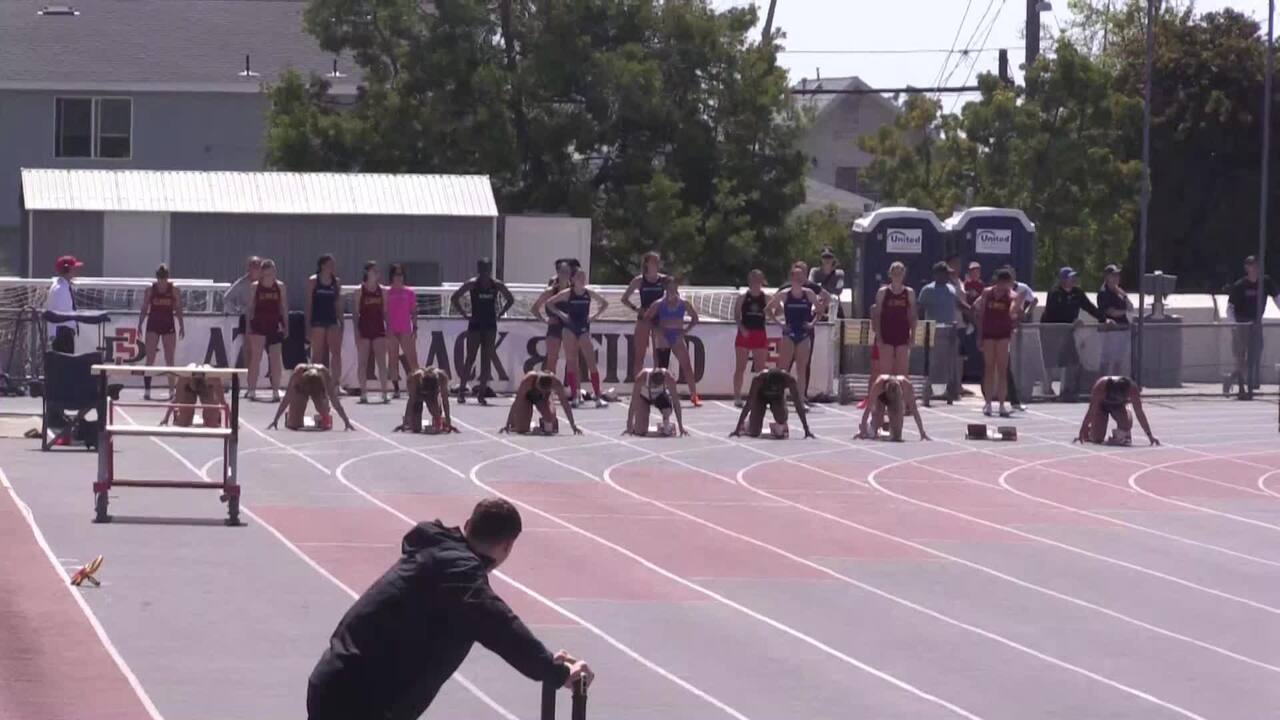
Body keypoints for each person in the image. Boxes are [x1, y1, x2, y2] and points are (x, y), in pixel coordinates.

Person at [306, 498, 593, 720]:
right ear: (508, 547)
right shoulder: (459, 573)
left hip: (340, 681)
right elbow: (500, 626)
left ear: (467, 525)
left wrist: (547, 663)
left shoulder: (434, 553)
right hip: (361, 700)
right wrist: (554, 671)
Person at [451, 259, 515, 406]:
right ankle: (461, 392)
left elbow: (510, 299)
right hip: (475, 325)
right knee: (470, 358)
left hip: (490, 325)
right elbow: (455, 298)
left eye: (487, 269)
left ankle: (481, 394)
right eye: (482, 269)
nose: (485, 272)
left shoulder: (496, 284)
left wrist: (501, 313)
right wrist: (464, 314)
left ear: (490, 270)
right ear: (478, 269)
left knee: (486, 359)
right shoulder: (473, 284)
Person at [1042, 266, 1109, 402]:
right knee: (1050, 362)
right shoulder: (1054, 293)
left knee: (1071, 361)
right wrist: (1071, 321)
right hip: (1051, 331)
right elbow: (1053, 312)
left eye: (1074, 277)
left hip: (1068, 333)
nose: (1073, 280)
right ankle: (1047, 391)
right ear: (1063, 279)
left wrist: (1104, 319)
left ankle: (1066, 391)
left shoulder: (1077, 293)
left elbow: (1090, 307)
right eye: (1070, 277)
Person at [546, 269, 609, 408]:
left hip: (583, 329)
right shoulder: (568, 293)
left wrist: (594, 316)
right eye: (579, 276)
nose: (582, 279)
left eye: (583, 276)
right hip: (569, 328)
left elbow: (604, 303)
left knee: (591, 361)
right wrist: (561, 314)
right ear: (573, 279)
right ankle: (575, 396)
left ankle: (597, 396)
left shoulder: (588, 293)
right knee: (571, 361)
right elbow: (549, 303)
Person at [1225, 255, 1280, 396]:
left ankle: (1233, 378)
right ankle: (1242, 387)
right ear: (1247, 268)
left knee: (1255, 354)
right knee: (1241, 357)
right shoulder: (1240, 285)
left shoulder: (1266, 282)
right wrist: (1234, 325)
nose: (1255, 269)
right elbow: (1230, 308)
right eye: (1252, 266)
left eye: (1257, 266)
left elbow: (1277, 298)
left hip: (1256, 323)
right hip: (1242, 323)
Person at [767, 263, 820, 407]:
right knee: (783, 369)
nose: (798, 279)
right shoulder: (784, 294)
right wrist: (780, 324)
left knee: (801, 369)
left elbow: (820, 309)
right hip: (789, 334)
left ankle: (801, 399)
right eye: (796, 276)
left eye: (801, 276)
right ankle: (780, 399)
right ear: (791, 278)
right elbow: (768, 310)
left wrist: (812, 323)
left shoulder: (809, 293)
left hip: (803, 334)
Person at [918, 261, 970, 403]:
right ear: (937, 274)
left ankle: (949, 393)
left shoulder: (951, 288)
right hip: (934, 329)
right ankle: (927, 394)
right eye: (945, 273)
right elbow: (919, 309)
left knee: (950, 362)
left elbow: (958, 304)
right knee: (934, 363)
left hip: (950, 328)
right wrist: (920, 327)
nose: (948, 276)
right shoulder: (927, 290)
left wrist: (972, 310)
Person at [644, 276, 701, 407]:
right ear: (665, 288)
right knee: (661, 367)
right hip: (663, 335)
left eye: (674, 286)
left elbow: (695, 318)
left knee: (686, 365)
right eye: (669, 286)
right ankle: (658, 394)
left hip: (676, 335)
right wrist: (657, 329)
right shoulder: (659, 303)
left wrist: (685, 331)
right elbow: (647, 318)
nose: (671, 289)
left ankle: (694, 394)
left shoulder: (683, 303)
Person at [974, 268, 1020, 417]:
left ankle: (1001, 404)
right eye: (1004, 283)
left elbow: (1013, 309)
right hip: (988, 333)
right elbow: (981, 314)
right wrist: (979, 335)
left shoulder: (1011, 295)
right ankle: (988, 403)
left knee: (1002, 369)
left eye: (1008, 283)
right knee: (989, 368)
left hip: (1003, 334)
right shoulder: (987, 293)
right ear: (998, 281)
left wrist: (1014, 309)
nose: (1005, 286)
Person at [137, 264, 185, 401]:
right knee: (150, 359)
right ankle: (147, 390)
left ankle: (171, 390)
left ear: (167, 278)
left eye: (164, 278)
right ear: (157, 278)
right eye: (160, 278)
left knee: (170, 359)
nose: (162, 281)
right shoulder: (150, 290)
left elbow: (179, 308)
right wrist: (140, 323)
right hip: (153, 325)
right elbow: (144, 308)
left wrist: (182, 325)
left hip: (168, 325)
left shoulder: (174, 290)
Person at [245, 259, 288, 402]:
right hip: (259, 324)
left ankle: (275, 390)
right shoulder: (255, 287)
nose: (270, 276)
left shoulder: (280, 286)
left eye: (272, 273)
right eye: (267, 274)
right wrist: (248, 327)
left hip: (274, 324)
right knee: (256, 358)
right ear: (262, 273)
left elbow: (283, 307)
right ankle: (251, 389)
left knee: (275, 359)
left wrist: (286, 325)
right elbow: (250, 308)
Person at [730, 368, 814, 439]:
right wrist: (737, 429)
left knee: (781, 418)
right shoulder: (758, 379)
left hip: (777, 398)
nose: (773, 390)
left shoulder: (790, 380)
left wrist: (806, 429)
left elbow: (798, 405)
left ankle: (779, 424)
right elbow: (749, 404)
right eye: (771, 388)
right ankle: (748, 424)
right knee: (754, 432)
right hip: (760, 397)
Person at [1075, 376, 1159, 446]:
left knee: (1126, 425)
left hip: (1118, 407)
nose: (1116, 398)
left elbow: (1139, 413)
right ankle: (1090, 430)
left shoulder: (1132, 389)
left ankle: (1127, 412)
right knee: (1097, 438)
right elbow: (1091, 411)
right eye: (1115, 396)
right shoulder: (1100, 387)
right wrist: (1082, 430)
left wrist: (1150, 436)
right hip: (1102, 406)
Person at [620, 251, 668, 373]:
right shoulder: (639, 280)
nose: (656, 263)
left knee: (658, 355)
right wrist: (636, 308)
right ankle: (638, 382)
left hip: (659, 318)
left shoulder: (664, 279)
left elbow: (674, 296)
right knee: (639, 354)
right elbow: (624, 299)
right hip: (645, 317)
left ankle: (658, 381)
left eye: (657, 261)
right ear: (646, 264)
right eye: (653, 261)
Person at [268, 364, 353, 431]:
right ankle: (292, 415)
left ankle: (325, 416)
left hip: (317, 389)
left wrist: (346, 421)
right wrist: (276, 419)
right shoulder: (298, 373)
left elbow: (334, 399)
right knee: (294, 425)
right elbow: (287, 397)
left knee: (322, 408)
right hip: (302, 389)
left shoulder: (324, 374)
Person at [352, 261, 390, 404]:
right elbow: (356, 313)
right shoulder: (359, 290)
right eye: (373, 271)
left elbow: (385, 312)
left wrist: (388, 329)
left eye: (377, 271)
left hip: (378, 328)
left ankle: (384, 392)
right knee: (362, 362)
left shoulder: (383, 291)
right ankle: (363, 392)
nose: (376, 274)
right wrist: (356, 331)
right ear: (367, 273)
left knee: (381, 362)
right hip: (364, 328)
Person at [871, 261, 916, 378]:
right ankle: (885, 390)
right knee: (885, 373)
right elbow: (877, 315)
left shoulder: (909, 292)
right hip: (886, 335)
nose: (897, 276)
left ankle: (901, 390)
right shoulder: (883, 292)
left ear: (904, 274)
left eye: (900, 273)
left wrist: (913, 336)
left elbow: (912, 316)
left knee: (902, 373)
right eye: (895, 273)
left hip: (903, 335)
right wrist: (879, 337)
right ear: (890, 274)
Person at [500, 371, 581, 435]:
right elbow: (517, 402)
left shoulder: (556, 383)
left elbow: (565, 404)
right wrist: (508, 423)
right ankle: (526, 423)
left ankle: (545, 422)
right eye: (540, 389)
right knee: (522, 429)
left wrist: (573, 425)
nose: (541, 391)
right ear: (537, 383)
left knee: (550, 420)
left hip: (543, 399)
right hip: (526, 398)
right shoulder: (528, 380)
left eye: (544, 390)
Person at [733, 269, 770, 407]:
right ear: (749, 281)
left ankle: (760, 397)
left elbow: (779, 309)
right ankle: (737, 396)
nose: (755, 282)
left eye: (758, 280)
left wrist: (770, 316)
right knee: (740, 367)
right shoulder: (743, 297)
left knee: (761, 369)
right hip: (745, 333)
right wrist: (742, 328)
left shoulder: (766, 297)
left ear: (762, 281)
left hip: (759, 332)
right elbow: (736, 316)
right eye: (753, 280)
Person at [306, 254, 344, 383]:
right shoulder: (313, 281)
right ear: (322, 266)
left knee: (336, 353)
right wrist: (308, 325)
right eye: (329, 264)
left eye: (333, 265)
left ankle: (336, 384)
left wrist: (341, 321)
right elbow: (309, 304)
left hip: (332, 319)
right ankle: (315, 382)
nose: (332, 267)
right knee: (317, 354)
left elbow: (338, 303)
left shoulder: (336, 282)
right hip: (318, 319)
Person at [856, 375, 929, 441]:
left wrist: (922, 432)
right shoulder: (878, 385)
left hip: (897, 398)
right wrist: (862, 431)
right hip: (882, 395)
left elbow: (914, 410)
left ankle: (889, 427)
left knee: (897, 435)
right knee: (878, 419)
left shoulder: (906, 386)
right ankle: (870, 426)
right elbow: (868, 409)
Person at [532, 261, 574, 375]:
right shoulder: (550, 292)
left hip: (569, 328)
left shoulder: (573, 291)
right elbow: (535, 308)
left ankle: (571, 385)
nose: (565, 275)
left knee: (572, 361)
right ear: (558, 273)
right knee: (552, 360)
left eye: (568, 272)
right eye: (563, 272)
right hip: (554, 327)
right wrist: (545, 320)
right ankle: (550, 385)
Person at [385, 263, 419, 399]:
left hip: (405, 328)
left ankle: (417, 386)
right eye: (396, 274)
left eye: (401, 274)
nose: (399, 277)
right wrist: (387, 326)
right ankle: (396, 388)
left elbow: (414, 311)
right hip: (392, 329)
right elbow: (384, 312)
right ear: (391, 276)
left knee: (412, 358)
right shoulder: (387, 293)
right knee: (393, 359)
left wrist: (415, 327)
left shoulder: (409, 292)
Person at [624, 367, 687, 436]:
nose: (655, 387)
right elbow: (634, 402)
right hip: (644, 397)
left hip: (659, 396)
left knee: (667, 410)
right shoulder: (641, 377)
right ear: (650, 378)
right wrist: (629, 424)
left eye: (658, 385)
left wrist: (681, 426)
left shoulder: (669, 378)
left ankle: (666, 424)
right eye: (654, 384)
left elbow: (676, 402)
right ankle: (636, 425)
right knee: (640, 431)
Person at [395, 366, 457, 434]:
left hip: (433, 395)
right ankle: (412, 420)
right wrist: (405, 422)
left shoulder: (442, 378)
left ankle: (441, 419)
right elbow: (411, 400)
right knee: (416, 428)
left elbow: (445, 401)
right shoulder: (413, 379)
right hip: (418, 394)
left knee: (436, 418)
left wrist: (448, 422)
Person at [1097, 264, 1133, 376]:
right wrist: (1125, 311)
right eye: (1114, 275)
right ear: (1107, 277)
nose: (1117, 277)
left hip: (1122, 330)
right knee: (1106, 360)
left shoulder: (1119, 292)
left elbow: (1130, 306)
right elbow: (1111, 312)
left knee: (1118, 360)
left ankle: (1116, 383)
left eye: (1118, 275)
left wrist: (1124, 296)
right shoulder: (1103, 293)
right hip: (1110, 331)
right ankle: (1103, 383)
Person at [160, 366, 225, 429]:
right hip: (189, 388)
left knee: (212, 424)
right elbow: (176, 398)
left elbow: (223, 401)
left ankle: (216, 415)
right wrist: (166, 419)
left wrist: (230, 422)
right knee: (184, 423)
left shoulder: (213, 378)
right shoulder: (184, 378)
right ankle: (178, 414)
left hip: (207, 388)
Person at [47, 255, 83, 354]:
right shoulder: (60, 289)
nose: (76, 271)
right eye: (73, 268)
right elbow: (60, 315)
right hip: (62, 333)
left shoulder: (63, 286)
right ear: (67, 269)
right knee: (64, 360)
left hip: (64, 332)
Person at [223, 255, 263, 344]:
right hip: (245, 319)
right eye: (254, 266)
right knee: (247, 346)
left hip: (262, 320)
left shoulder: (266, 282)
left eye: (259, 266)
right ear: (249, 269)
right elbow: (227, 298)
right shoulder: (241, 283)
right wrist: (235, 313)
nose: (257, 269)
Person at [809, 248, 846, 319]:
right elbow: (810, 286)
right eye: (824, 257)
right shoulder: (814, 272)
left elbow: (839, 290)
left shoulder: (839, 274)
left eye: (829, 257)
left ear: (833, 259)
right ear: (821, 259)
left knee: (835, 300)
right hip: (818, 301)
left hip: (833, 302)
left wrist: (820, 289)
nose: (827, 260)